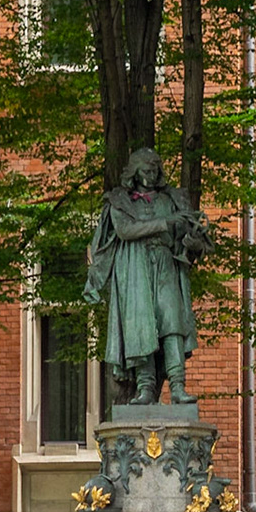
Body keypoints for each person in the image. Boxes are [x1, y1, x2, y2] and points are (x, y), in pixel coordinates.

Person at [83, 147, 210, 404]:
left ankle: (177, 387)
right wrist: (166, 223)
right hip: (134, 267)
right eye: (146, 170)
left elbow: (184, 242)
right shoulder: (120, 202)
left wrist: (193, 239)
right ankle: (145, 389)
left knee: (172, 323)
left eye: (155, 170)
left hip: (165, 264)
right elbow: (126, 231)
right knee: (140, 328)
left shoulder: (170, 200)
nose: (152, 175)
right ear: (134, 172)